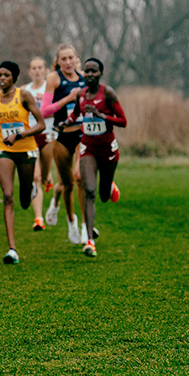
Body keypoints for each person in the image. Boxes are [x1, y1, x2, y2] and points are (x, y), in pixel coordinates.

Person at [0, 61, 45, 264]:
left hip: (26, 150)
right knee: (8, 196)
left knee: (25, 202)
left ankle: (31, 191)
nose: (2, 78)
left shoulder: (24, 96)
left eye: (6, 75)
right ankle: (12, 249)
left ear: (14, 78)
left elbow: (41, 125)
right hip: (5, 150)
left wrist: (19, 135)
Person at [74, 58, 125, 257]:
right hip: (88, 147)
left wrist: (101, 115)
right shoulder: (81, 95)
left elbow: (123, 121)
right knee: (89, 191)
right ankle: (90, 240)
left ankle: (110, 184)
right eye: (86, 71)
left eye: (93, 71)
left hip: (108, 149)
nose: (89, 74)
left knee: (103, 195)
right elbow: (75, 115)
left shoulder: (108, 93)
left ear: (101, 74)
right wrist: (65, 123)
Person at [41, 43, 86, 244]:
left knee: (81, 178)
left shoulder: (85, 77)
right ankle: (70, 221)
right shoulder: (54, 79)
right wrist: (68, 98)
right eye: (64, 59)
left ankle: (86, 227)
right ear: (58, 61)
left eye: (71, 58)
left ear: (77, 58)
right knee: (66, 184)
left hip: (82, 134)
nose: (68, 62)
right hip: (61, 136)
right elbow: (44, 110)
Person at [24, 57, 54, 230]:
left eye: (39, 67)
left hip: (48, 134)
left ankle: (47, 177)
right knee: (35, 177)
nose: (36, 71)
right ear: (29, 71)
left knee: (44, 174)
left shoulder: (50, 89)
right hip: (31, 136)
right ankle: (38, 219)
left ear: (45, 70)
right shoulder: (25, 90)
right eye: (33, 68)